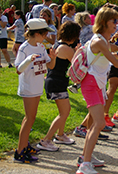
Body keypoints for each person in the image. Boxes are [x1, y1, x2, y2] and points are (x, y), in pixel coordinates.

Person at [76, 7, 118, 174]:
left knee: (92, 125)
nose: (117, 24)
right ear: (104, 23)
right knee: (99, 123)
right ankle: (84, 165)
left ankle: (85, 157)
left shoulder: (103, 40)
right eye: (114, 21)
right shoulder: (98, 41)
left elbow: (113, 50)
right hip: (91, 84)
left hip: (98, 84)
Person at [13, 18, 56, 163]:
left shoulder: (41, 47)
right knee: (29, 118)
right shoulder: (25, 48)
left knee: (31, 118)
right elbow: (18, 69)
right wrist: (29, 60)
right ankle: (19, 151)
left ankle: (24, 146)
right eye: (44, 33)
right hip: (29, 87)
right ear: (37, 33)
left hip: (37, 87)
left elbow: (50, 66)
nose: (46, 37)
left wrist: (53, 58)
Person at [38, 21, 81, 152]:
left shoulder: (58, 44)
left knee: (65, 111)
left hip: (58, 82)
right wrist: (78, 51)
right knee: (64, 112)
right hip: (56, 82)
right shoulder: (65, 48)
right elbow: (77, 63)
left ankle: (60, 135)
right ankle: (46, 140)